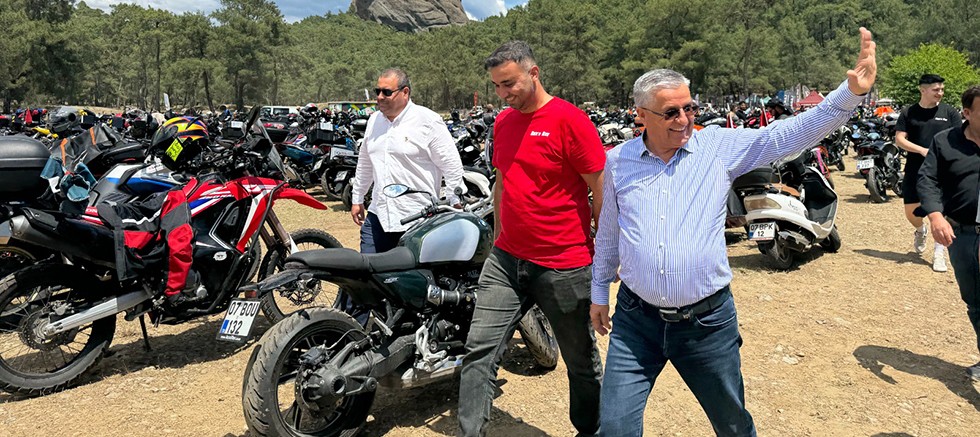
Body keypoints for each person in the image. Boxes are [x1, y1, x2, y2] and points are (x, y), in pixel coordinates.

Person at [590, 27, 877, 436]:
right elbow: (610, 233)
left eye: (689, 108)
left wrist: (849, 94)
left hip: (706, 324)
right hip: (637, 322)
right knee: (615, 428)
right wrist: (600, 291)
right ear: (641, 114)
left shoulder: (717, 147)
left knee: (732, 425)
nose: (684, 120)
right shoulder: (619, 161)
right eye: (671, 112)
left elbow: (787, 135)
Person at [457, 40, 605, 437]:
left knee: (580, 360)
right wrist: (499, 236)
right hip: (506, 260)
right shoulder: (504, 123)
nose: (502, 94)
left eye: (509, 84)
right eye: (496, 86)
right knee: (478, 352)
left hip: (563, 264)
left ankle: (591, 429)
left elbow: (600, 188)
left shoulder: (570, 120)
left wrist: (605, 252)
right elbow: (502, 181)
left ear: (534, 73)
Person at [349, 68, 464, 255]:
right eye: (377, 91)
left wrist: (454, 200)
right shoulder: (374, 121)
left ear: (405, 92)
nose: (380, 97)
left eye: (386, 92)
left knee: (409, 273)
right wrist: (357, 198)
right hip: (379, 216)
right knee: (367, 269)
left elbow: (451, 165)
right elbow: (365, 163)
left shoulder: (428, 121)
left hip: (418, 220)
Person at [916, 85, 980, 381]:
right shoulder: (945, 142)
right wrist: (936, 216)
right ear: (967, 113)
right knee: (975, 301)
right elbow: (927, 180)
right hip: (962, 235)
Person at [895, 74, 962, 272]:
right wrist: (922, 150)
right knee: (912, 212)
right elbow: (900, 139)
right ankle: (920, 229)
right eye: (936, 90)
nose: (940, 93)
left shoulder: (949, 112)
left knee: (939, 212)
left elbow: (959, 138)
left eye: (942, 89)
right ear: (923, 90)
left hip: (942, 171)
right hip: (914, 169)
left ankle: (939, 253)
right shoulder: (908, 112)